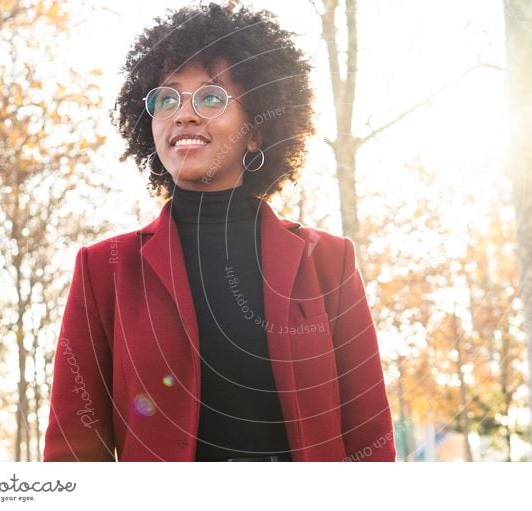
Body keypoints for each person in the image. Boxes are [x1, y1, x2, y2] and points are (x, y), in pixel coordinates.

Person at [43, 2, 395, 462]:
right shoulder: (104, 270)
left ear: (256, 131)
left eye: (211, 98)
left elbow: (369, 436)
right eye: (166, 99)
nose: (183, 114)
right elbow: (74, 449)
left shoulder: (328, 261)